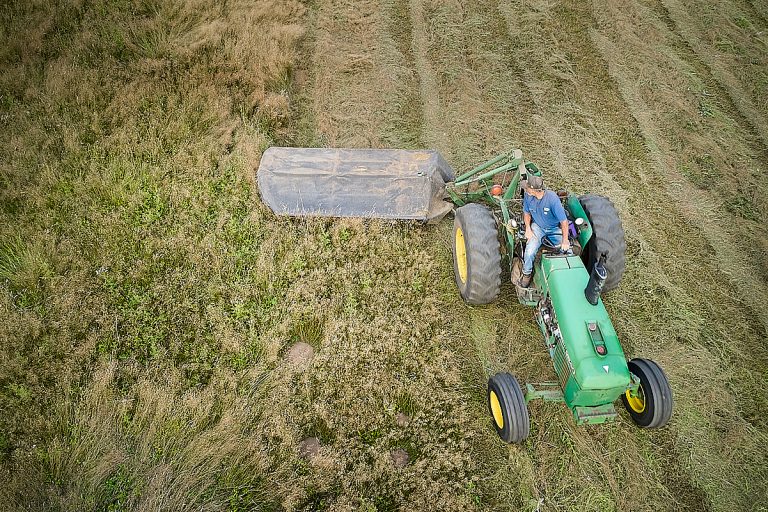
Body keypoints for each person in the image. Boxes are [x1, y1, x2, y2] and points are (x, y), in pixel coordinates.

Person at [518, 175, 570, 288]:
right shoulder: (528, 196)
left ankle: (564, 274)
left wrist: (565, 241)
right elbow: (526, 213)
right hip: (537, 228)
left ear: (535, 190)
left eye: (528, 188)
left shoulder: (552, 200)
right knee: (529, 252)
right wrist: (528, 228)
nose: (526, 190)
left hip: (554, 229)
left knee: (567, 251)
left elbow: (564, 222)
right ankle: (526, 273)